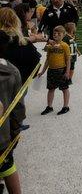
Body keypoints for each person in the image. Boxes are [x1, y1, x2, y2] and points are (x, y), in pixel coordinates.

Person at [0, 31, 25, 194]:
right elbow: (18, 109)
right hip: (3, 137)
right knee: (8, 166)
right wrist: (14, 133)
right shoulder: (13, 71)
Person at [38, 25, 71, 115]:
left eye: (58, 33)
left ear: (63, 35)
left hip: (62, 70)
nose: (56, 35)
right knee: (51, 89)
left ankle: (65, 106)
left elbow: (68, 60)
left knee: (65, 89)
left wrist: (67, 72)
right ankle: (49, 107)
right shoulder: (50, 46)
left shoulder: (65, 46)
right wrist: (42, 71)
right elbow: (47, 60)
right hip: (51, 70)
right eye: (54, 33)